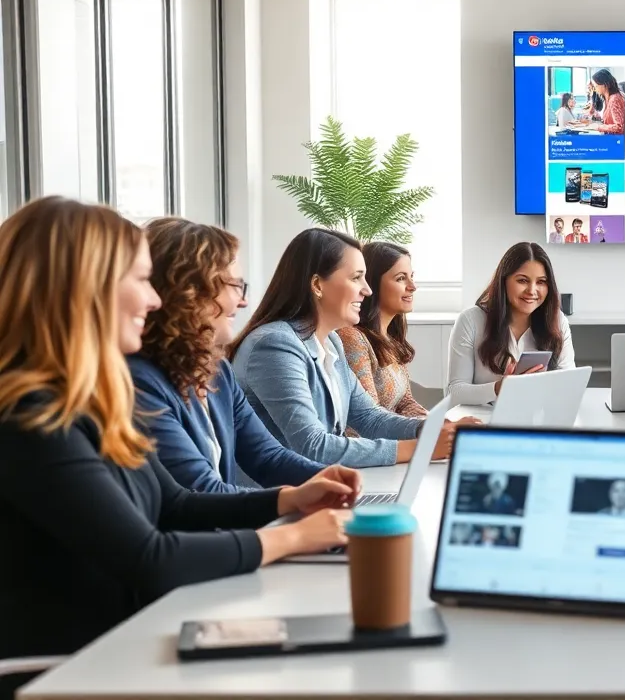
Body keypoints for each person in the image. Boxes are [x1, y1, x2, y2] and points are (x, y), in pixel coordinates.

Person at [0, 198, 357, 697]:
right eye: (140, 280)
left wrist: (288, 501)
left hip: (129, 642)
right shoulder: (28, 416)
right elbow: (149, 557)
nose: (153, 300)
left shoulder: (92, 399)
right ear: (84, 288)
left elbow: (175, 503)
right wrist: (294, 538)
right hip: (74, 670)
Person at [231, 228, 472, 468]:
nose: (367, 290)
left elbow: (369, 418)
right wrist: (423, 446)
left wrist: (437, 428)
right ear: (317, 284)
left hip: (318, 488)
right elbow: (312, 446)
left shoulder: (330, 342)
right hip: (278, 498)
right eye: (356, 277)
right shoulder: (274, 345)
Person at [130, 218, 326, 494]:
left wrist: (332, 479)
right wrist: (294, 501)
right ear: (189, 290)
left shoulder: (216, 370)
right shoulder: (140, 380)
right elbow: (201, 491)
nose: (243, 301)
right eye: (235, 285)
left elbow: (267, 458)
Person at [447, 242, 575, 406]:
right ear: (504, 281)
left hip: (539, 419)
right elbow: (455, 393)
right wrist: (500, 388)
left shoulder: (557, 321)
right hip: (483, 422)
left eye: (541, 282)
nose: (532, 290)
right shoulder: (470, 320)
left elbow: (569, 385)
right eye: (522, 280)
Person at [337, 241, 427, 418]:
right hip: (370, 443)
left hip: (396, 438)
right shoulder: (352, 339)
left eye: (411, 276)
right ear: (372, 283)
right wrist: (424, 430)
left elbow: (405, 402)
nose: (412, 286)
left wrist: (439, 424)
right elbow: (369, 420)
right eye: (401, 278)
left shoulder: (389, 338)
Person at [591, 69, 625, 135]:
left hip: (615, 141)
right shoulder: (608, 99)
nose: (595, 89)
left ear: (604, 84)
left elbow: (619, 127)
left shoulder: (614, 99)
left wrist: (599, 127)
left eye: (596, 86)